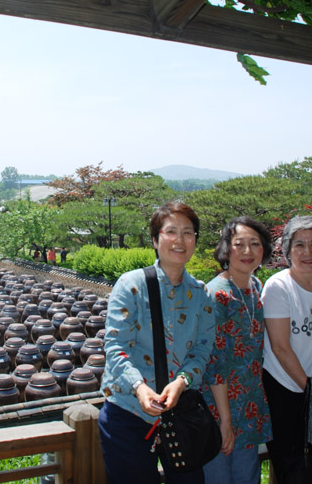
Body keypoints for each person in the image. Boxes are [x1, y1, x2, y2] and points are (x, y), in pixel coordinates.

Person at [99, 202, 215, 484]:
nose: (180, 240)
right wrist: (139, 387)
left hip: (181, 415)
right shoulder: (131, 285)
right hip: (128, 412)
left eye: (188, 233)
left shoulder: (202, 294)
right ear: (155, 239)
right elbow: (115, 345)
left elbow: (202, 350)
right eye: (171, 231)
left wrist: (182, 381)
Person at [261, 215, 312, 482]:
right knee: (292, 468)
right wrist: (310, 391)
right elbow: (280, 347)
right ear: (287, 250)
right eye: (299, 245)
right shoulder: (278, 286)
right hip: (283, 388)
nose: (307, 252)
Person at [202, 216, 273, 484]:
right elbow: (214, 364)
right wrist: (225, 421)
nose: (247, 251)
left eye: (255, 244)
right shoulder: (216, 294)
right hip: (219, 408)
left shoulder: (255, 287)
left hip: (249, 404)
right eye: (239, 244)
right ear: (225, 249)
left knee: (248, 477)